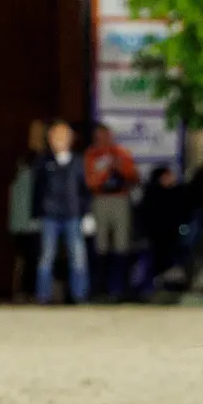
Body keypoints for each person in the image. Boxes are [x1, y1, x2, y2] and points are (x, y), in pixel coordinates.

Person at [32, 121, 92, 305]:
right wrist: (35, 215)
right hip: (50, 215)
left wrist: (88, 214)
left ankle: (79, 295)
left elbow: (84, 190)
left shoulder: (78, 162)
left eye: (62, 137)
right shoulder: (44, 162)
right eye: (54, 137)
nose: (57, 141)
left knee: (78, 257)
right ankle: (43, 296)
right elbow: (37, 190)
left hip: (73, 215)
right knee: (46, 257)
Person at [83, 123, 139, 302]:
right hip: (101, 199)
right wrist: (105, 169)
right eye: (99, 136)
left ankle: (119, 289)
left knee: (122, 244)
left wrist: (119, 166)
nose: (103, 139)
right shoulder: (91, 154)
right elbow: (90, 182)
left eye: (106, 135)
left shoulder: (122, 153)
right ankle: (100, 289)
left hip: (120, 199)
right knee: (101, 244)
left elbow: (133, 177)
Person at [138, 165, 195, 297]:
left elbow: (186, 211)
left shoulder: (179, 192)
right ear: (160, 178)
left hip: (176, 237)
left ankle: (175, 287)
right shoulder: (151, 194)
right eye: (167, 175)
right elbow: (146, 217)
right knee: (158, 261)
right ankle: (156, 288)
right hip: (157, 238)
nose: (172, 178)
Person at [7, 120, 46, 302]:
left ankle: (34, 292)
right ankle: (19, 292)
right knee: (21, 257)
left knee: (36, 255)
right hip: (20, 216)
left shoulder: (46, 158)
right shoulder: (21, 157)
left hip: (37, 217)